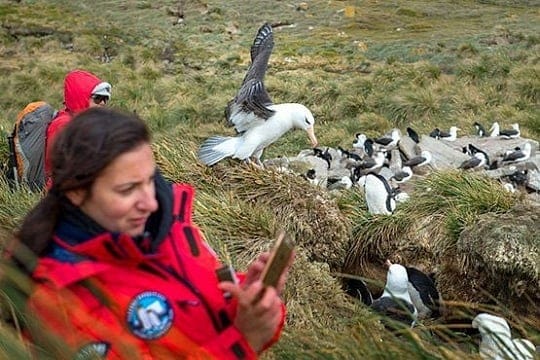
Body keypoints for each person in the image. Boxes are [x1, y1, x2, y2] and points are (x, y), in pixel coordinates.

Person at [13, 107, 293, 359]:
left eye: (149, 180)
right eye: (127, 190)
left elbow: (197, 305)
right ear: (76, 192)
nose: (151, 202)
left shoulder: (170, 226)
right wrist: (241, 343)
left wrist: (247, 300)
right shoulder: (61, 302)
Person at [44, 69, 111, 186]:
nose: (102, 103)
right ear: (80, 97)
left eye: (105, 99)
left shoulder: (85, 123)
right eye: (98, 98)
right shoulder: (63, 125)